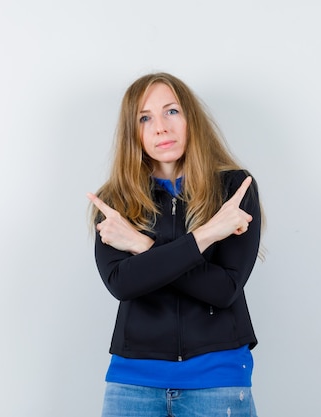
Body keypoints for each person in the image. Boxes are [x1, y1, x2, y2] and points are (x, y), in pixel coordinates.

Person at [87, 72, 263, 417]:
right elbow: (123, 283)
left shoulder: (233, 189)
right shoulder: (115, 202)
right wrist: (207, 235)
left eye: (171, 111)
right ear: (132, 132)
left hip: (218, 379)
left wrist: (140, 245)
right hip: (132, 383)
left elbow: (224, 289)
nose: (161, 127)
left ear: (190, 118)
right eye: (144, 118)